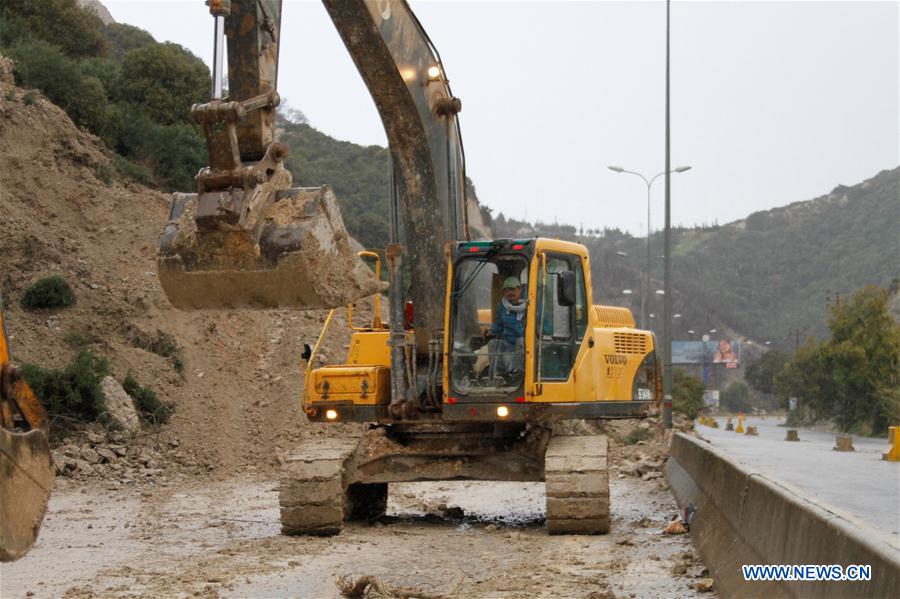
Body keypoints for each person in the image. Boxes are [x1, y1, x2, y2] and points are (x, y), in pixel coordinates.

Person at [483, 276, 526, 378]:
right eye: (506, 290)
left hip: (524, 343)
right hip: (508, 343)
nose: (509, 293)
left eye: (512, 289)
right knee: (493, 343)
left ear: (519, 289)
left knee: (520, 342)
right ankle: (498, 374)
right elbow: (499, 325)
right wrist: (491, 332)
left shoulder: (530, 305)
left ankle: (517, 374)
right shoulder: (503, 307)